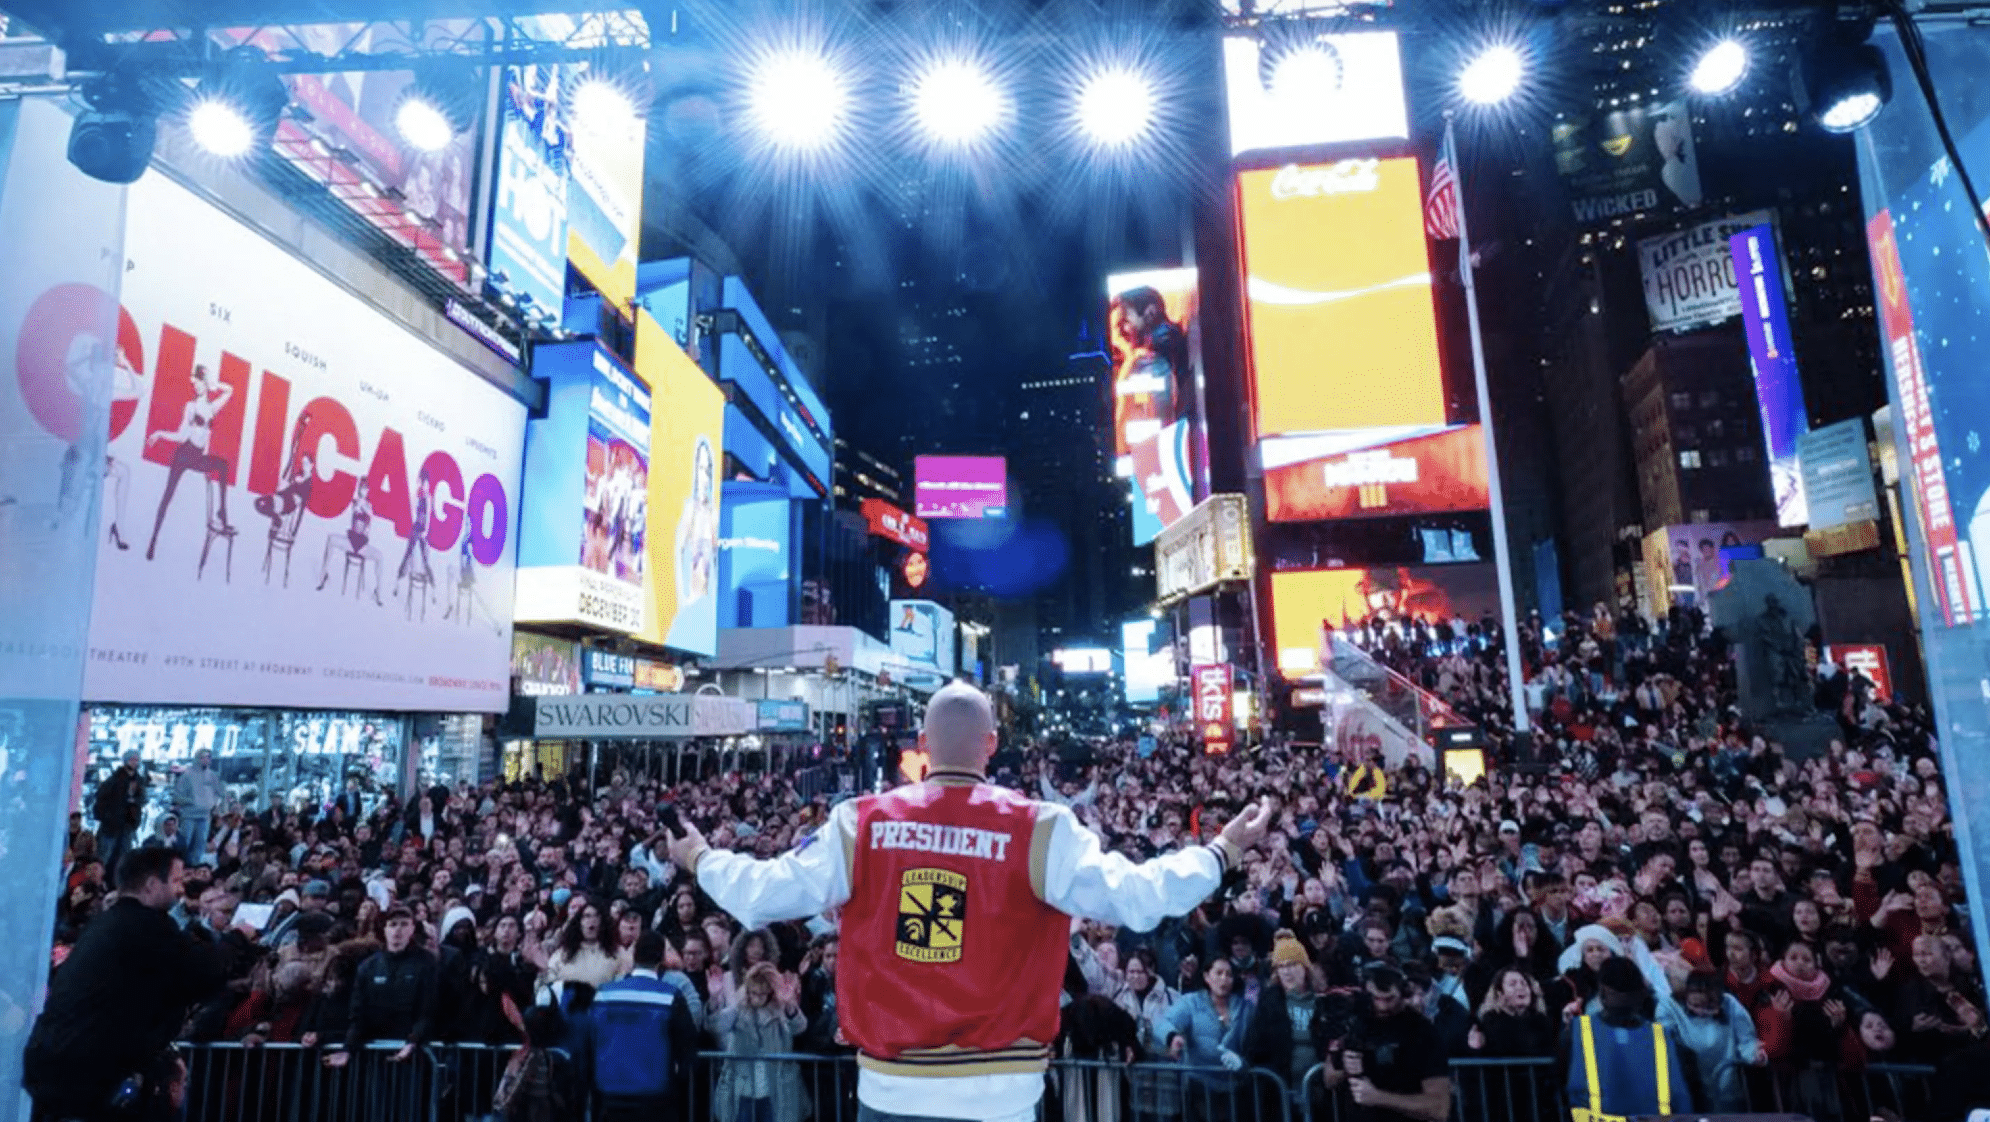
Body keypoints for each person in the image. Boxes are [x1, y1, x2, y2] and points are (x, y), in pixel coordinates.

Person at [666, 681, 1275, 1122]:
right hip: (1003, 1094)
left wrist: (698, 857)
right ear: (992, 744)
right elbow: (1140, 898)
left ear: (923, 742)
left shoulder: (860, 824)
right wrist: (1220, 852)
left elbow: (761, 894)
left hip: (889, 1091)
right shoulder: (1041, 827)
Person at [24, 847, 230, 1122]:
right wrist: (236, 939)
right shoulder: (145, 928)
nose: (182, 889)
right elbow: (203, 972)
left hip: (62, 1067)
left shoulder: (107, 925)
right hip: (88, 1077)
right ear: (152, 885)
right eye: (177, 880)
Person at [579, 932, 698, 1122]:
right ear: (661, 957)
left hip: (609, 1093)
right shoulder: (670, 996)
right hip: (654, 1095)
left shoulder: (603, 994)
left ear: (634, 955)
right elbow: (687, 1046)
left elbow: (587, 1042)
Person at [1562, 958, 1695, 1121]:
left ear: (1602, 992)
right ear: (1641, 993)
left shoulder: (1576, 1033)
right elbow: (1683, 1101)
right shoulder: (1664, 1037)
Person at [1326, 964, 1451, 1122]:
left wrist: (1378, 1097)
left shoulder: (1422, 1032)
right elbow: (1328, 1078)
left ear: (1403, 993)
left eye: (1389, 998)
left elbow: (1439, 1108)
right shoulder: (1357, 1022)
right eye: (1376, 998)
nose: (1383, 1005)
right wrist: (1344, 1066)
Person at [329, 905, 438, 1068]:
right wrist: (348, 1049)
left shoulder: (426, 962)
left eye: (404, 924)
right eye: (393, 924)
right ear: (384, 929)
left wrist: (413, 1042)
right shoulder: (369, 966)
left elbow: (428, 1010)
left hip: (413, 1055)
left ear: (412, 929)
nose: (398, 930)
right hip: (373, 1053)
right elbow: (358, 1014)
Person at [90, 751, 147, 877]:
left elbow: (142, 799)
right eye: (132, 759)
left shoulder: (139, 781)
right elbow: (101, 799)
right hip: (111, 825)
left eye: (136, 760)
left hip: (128, 825)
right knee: (103, 856)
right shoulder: (114, 779)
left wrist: (135, 803)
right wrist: (107, 817)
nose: (134, 762)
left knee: (122, 858)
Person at [172, 748, 223, 866]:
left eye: (209, 757)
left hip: (205, 817)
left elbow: (219, 793)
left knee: (200, 844)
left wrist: (214, 805)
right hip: (189, 816)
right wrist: (192, 801)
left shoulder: (212, 776)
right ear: (197, 758)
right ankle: (182, 867)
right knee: (185, 844)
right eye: (203, 757)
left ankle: (196, 868)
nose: (206, 759)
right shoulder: (187, 775)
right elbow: (176, 796)